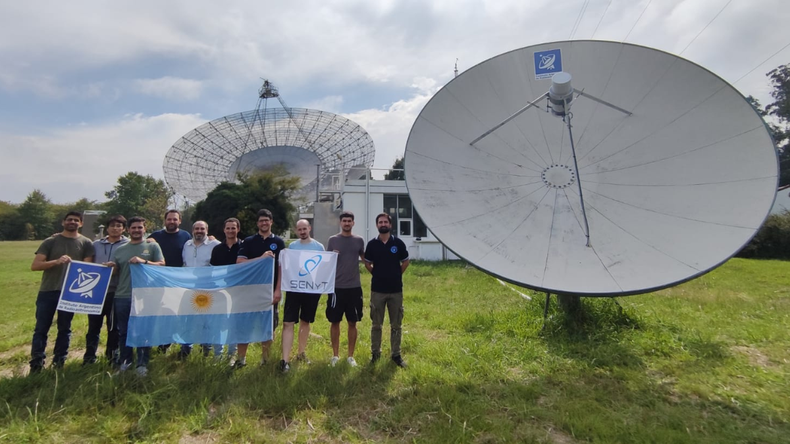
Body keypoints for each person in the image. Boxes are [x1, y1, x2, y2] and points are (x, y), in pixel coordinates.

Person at [29, 211, 95, 373]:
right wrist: (56, 262)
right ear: (63, 222)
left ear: (81, 224)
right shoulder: (50, 241)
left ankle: (59, 363)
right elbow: (35, 265)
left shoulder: (86, 243)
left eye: (76, 220)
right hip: (48, 290)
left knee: (65, 328)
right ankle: (36, 365)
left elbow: (88, 268)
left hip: (70, 294)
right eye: (69, 219)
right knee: (41, 329)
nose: (72, 222)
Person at [109, 216, 164, 376]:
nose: (137, 230)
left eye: (140, 227)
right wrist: (111, 268)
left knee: (143, 330)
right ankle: (126, 363)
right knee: (124, 332)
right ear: (128, 230)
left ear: (144, 229)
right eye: (133, 228)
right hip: (123, 295)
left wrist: (144, 262)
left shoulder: (152, 246)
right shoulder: (120, 250)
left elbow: (162, 264)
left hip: (145, 295)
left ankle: (142, 364)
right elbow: (116, 271)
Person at [235, 209, 284, 368]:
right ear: (257, 223)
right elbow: (240, 263)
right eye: (261, 221)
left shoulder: (279, 242)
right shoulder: (248, 242)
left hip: (269, 292)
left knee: (268, 326)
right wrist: (261, 258)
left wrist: (278, 290)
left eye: (267, 220)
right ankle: (241, 360)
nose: (264, 223)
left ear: (271, 222)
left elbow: (282, 268)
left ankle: (265, 360)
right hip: (249, 291)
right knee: (244, 324)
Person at [364, 213, 410, 368]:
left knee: (396, 325)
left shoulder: (398, 243)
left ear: (390, 225)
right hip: (377, 291)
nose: (383, 224)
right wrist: (377, 275)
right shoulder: (372, 245)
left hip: (396, 291)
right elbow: (367, 263)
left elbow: (405, 261)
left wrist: (397, 274)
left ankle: (396, 355)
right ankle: (375, 354)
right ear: (377, 225)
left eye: (385, 222)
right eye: (380, 222)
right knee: (376, 324)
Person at [280, 219, 324, 373]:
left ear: (309, 228)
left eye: (305, 229)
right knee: (288, 322)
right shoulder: (292, 246)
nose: (302, 231)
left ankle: (301, 353)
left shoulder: (319, 247)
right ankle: (284, 359)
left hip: (311, 290)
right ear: (296, 231)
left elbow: (324, 267)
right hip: (294, 289)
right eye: (300, 229)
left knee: (305, 320)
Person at [83, 214, 128, 366]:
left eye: (119, 226)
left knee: (113, 327)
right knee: (93, 327)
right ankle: (89, 357)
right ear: (107, 228)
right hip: (96, 292)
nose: (115, 228)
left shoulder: (127, 245)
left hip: (115, 291)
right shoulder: (95, 244)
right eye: (112, 225)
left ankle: (112, 357)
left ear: (123, 229)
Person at [148, 209, 192, 357]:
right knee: (161, 314)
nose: (172, 222)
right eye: (169, 219)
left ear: (179, 221)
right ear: (165, 220)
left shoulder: (186, 236)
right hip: (158, 283)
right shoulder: (155, 236)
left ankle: (183, 346)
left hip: (178, 282)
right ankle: (162, 344)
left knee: (178, 314)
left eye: (175, 219)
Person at [326, 211, 365, 367]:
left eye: (349, 221)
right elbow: (325, 262)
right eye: (344, 221)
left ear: (353, 223)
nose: (347, 223)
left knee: (352, 322)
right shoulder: (333, 240)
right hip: (336, 288)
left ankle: (350, 356)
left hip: (354, 288)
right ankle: (335, 355)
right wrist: (331, 256)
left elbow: (366, 259)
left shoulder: (359, 240)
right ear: (340, 223)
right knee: (335, 322)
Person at [182, 220, 221, 357]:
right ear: (193, 231)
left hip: (207, 289)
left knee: (206, 321)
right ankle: (186, 348)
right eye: (196, 229)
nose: (199, 231)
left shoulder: (215, 245)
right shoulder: (187, 245)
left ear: (207, 230)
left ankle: (206, 349)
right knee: (188, 319)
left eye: (202, 229)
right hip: (189, 289)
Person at [210, 218, 243, 362]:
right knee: (218, 322)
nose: (230, 231)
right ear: (224, 230)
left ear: (238, 229)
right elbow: (213, 271)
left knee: (234, 323)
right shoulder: (217, 249)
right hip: (220, 291)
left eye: (233, 228)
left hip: (238, 292)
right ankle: (218, 354)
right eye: (228, 228)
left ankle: (232, 354)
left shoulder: (243, 247)